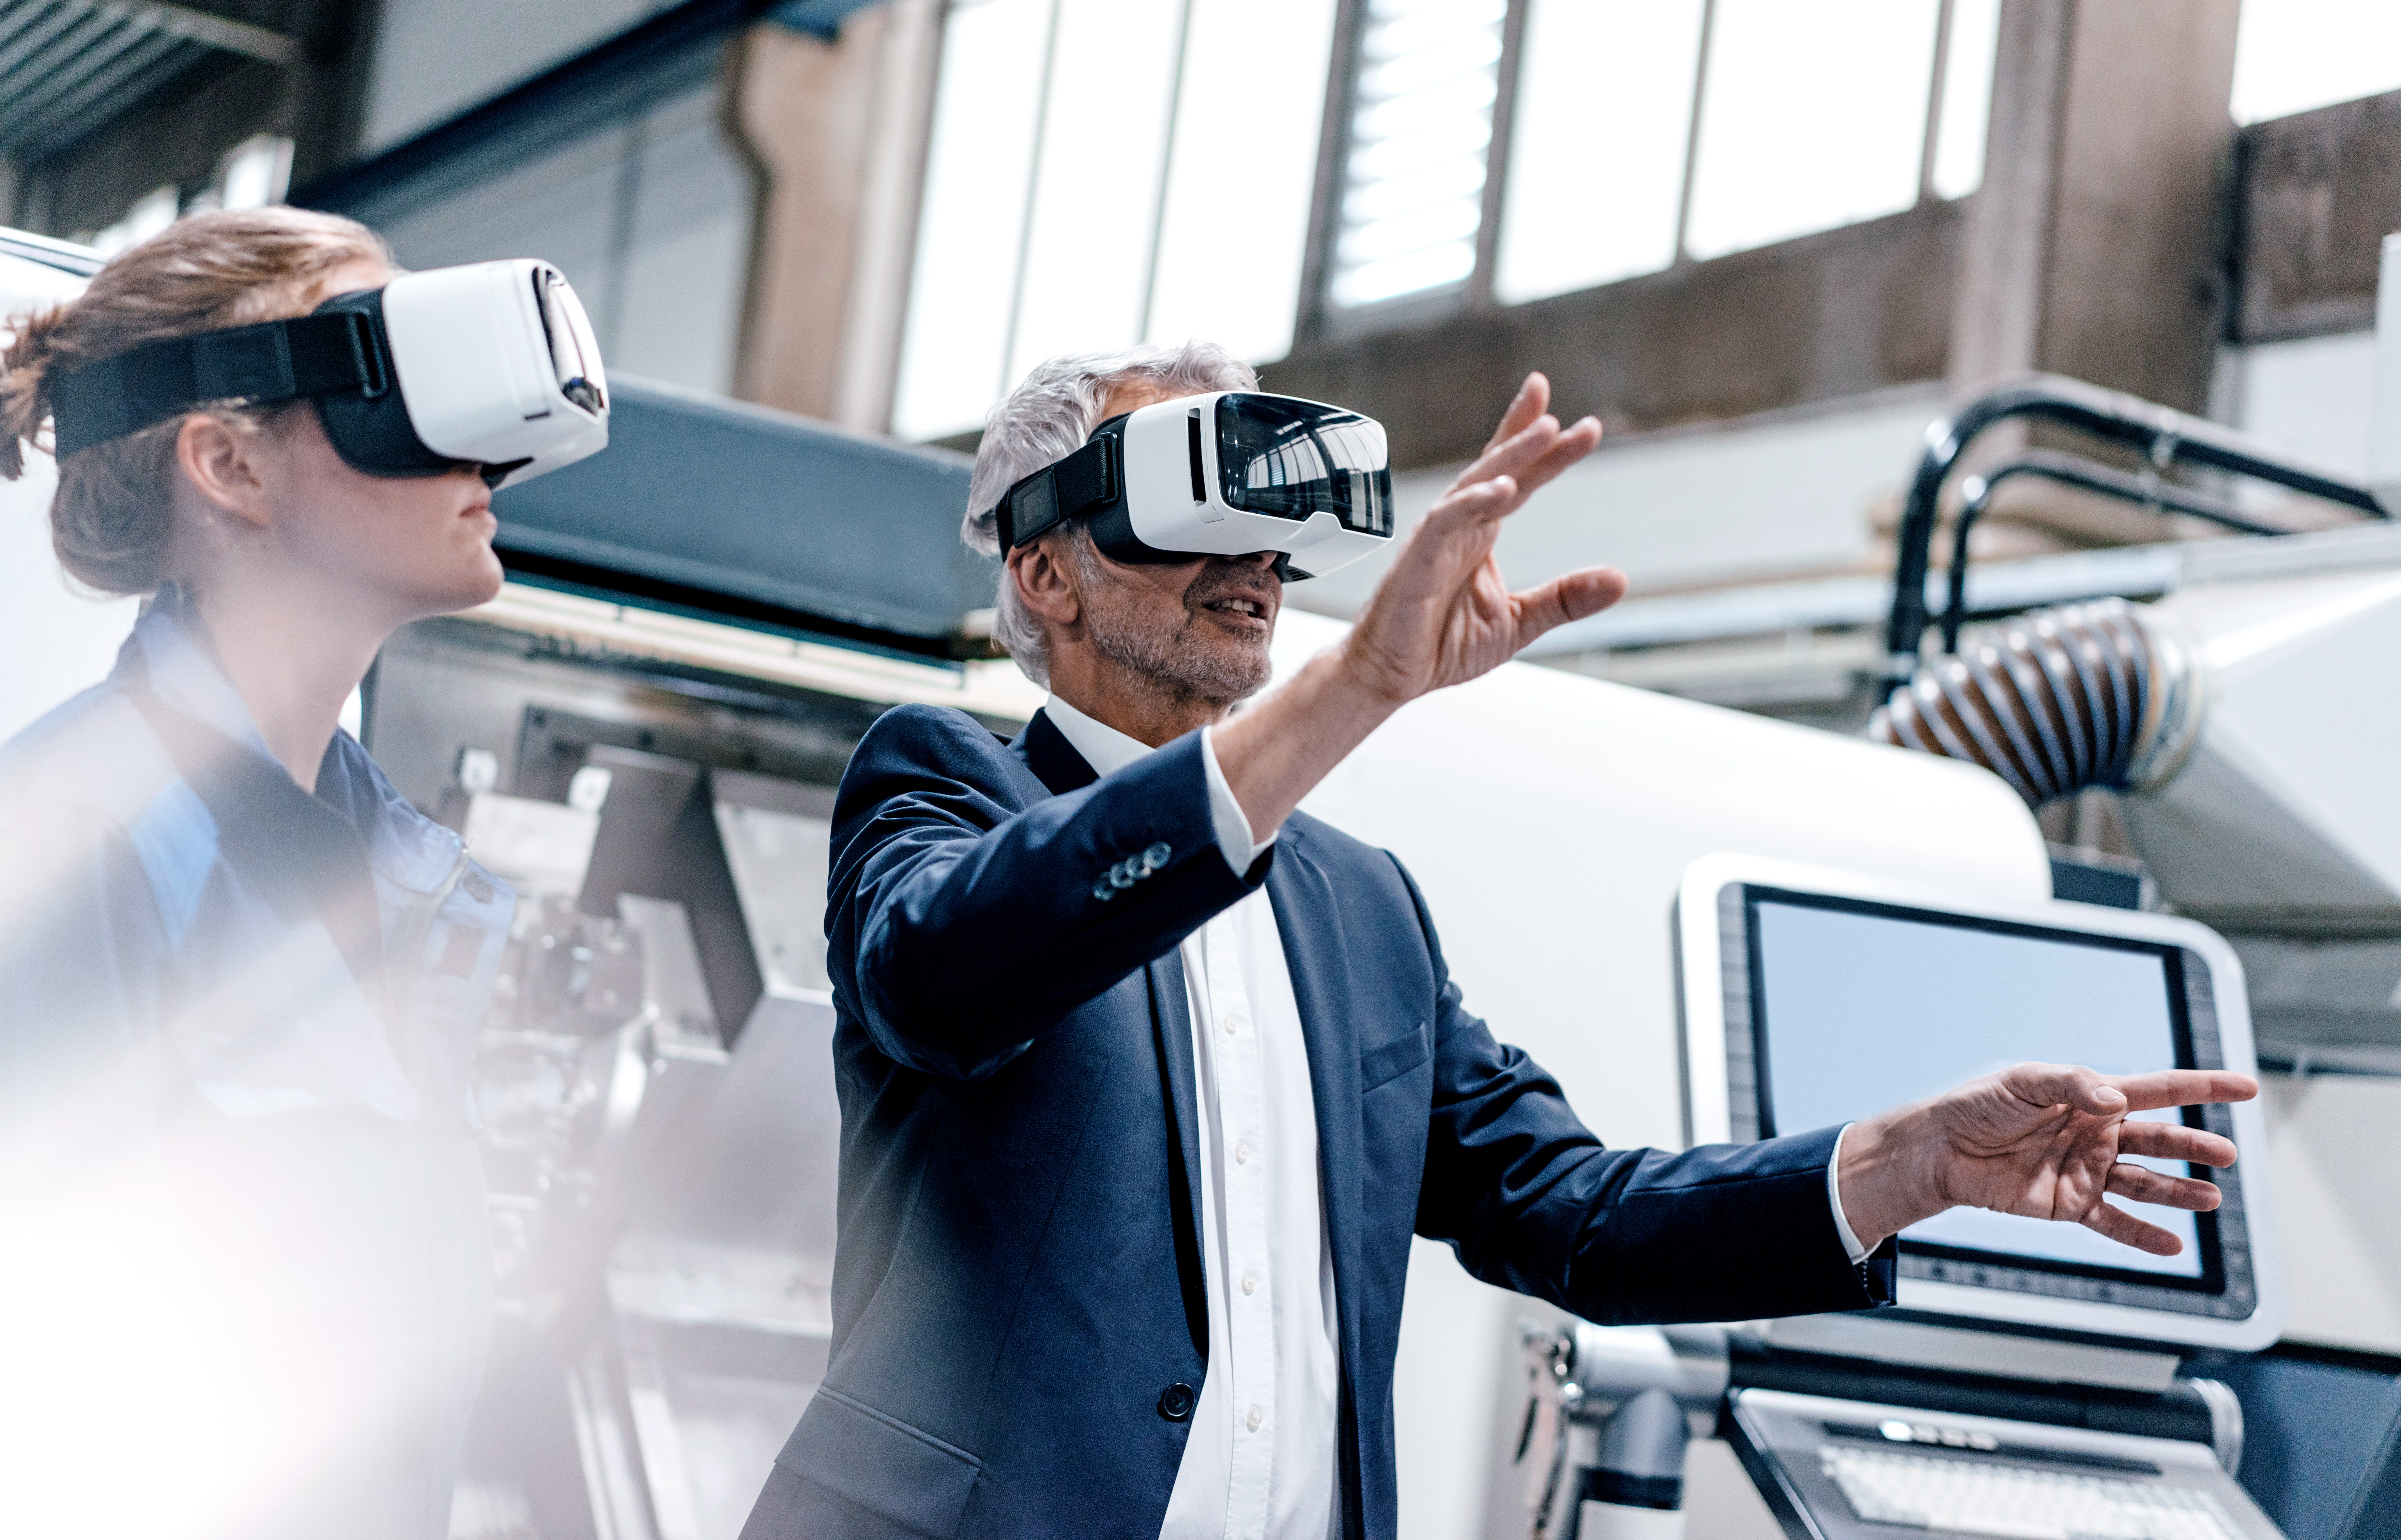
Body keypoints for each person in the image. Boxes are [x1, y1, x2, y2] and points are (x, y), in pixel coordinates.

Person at [740, 341, 2256, 1540]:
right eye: (1196, 524)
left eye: (1275, 534)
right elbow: (949, 972)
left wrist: (1903, 1167)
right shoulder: (941, 783)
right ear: (1045, 572)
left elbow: (1573, 1215)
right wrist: (1357, 692)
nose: (1257, 566)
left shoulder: (1362, 909)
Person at [0, 208, 520, 1540]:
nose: (480, 454)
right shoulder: (72, 841)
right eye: (390, 382)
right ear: (229, 463)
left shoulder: (386, 870)